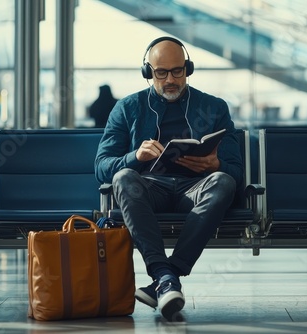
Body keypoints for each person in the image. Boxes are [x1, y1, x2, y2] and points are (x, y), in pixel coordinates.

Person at [94, 36, 242, 321]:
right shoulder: (127, 108)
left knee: (223, 181)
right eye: (161, 72)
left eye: (177, 71)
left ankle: (165, 276)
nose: (170, 79)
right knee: (124, 177)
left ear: (188, 69)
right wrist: (135, 157)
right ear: (148, 72)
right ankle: (167, 275)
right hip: (150, 189)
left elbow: (235, 172)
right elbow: (102, 167)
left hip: (195, 188)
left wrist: (215, 164)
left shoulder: (215, 108)